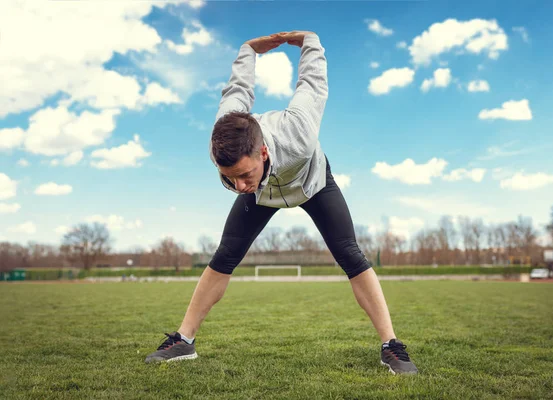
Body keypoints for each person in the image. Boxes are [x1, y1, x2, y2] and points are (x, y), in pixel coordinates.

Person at [145, 31, 418, 375]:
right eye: (229, 178)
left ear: (262, 152)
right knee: (224, 255)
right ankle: (184, 340)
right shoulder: (224, 137)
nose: (238, 185)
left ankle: (390, 345)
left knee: (350, 254)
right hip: (266, 194)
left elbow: (312, 84)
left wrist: (311, 42)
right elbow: (237, 90)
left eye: (244, 174)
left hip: (311, 184)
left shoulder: (298, 132)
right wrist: (247, 50)